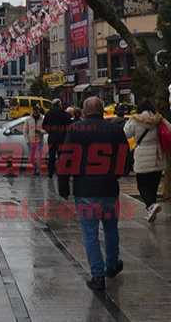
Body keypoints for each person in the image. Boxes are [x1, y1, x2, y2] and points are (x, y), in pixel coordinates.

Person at [57, 96, 129, 292]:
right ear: (102, 110)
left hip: (85, 189)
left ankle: (98, 276)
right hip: (109, 188)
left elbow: (66, 158)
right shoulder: (114, 129)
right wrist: (119, 173)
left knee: (90, 233)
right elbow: (125, 155)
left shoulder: (76, 130)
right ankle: (112, 265)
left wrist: (63, 186)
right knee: (111, 229)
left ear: (84, 111)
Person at [124, 101, 171, 222]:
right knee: (153, 185)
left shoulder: (135, 120)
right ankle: (151, 208)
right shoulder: (159, 119)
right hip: (157, 156)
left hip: (142, 155)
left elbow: (125, 133)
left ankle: (150, 205)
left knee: (142, 185)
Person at [43, 99, 72, 178]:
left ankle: (50, 172)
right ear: (59, 104)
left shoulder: (48, 114)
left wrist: (50, 131)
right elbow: (69, 125)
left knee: (51, 155)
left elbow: (44, 125)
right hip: (62, 138)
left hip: (52, 138)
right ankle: (61, 172)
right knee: (61, 156)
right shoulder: (64, 114)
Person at [23, 106, 45, 176]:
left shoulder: (43, 118)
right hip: (31, 141)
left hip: (39, 141)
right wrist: (27, 141)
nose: (35, 111)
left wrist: (41, 131)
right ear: (33, 111)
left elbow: (47, 129)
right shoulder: (28, 119)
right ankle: (35, 167)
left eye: (37, 110)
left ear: (39, 110)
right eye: (34, 110)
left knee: (39, 157)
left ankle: (38, 170)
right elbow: (25, 131)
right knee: (31, 158)